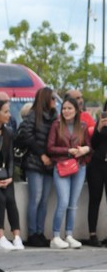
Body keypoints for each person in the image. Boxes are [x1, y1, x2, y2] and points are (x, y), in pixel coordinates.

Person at [46, 95, 91, 249]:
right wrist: (69, 151)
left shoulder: (83, 126)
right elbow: (50, 148)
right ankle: (56, 236)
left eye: (69, 108)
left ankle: (69, 234)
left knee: (73, 204)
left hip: (79, 167)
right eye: (64, 108)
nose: (66, 111)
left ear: (77, 110)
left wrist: (85, 149)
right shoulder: (56, 125)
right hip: (62, 166)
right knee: (63, 201)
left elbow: (89, 146)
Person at [16, 86, 57, 246]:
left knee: (44, 200)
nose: (54, 101)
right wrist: (42, 155)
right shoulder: (34, 115)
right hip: (34, 162)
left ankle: (40, 232)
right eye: (52, 98)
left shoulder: (55, 117)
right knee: (36, 198)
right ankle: (32, 233)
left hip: (49, 163)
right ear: (45, 99)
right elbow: (26, 136)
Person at [0, 98, 24, 251]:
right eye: (6, 112)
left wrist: (9, 177)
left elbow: (10, 158)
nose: (9, 115)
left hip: (5, 175)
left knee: (10, 200)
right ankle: (0, 236)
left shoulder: (8, 132)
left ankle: (16, 236)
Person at [86, 103, 107, 246]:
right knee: (95, 198)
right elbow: (93, 144)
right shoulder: (101, 122)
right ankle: (92, 234)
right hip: (97, 165)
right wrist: (99, 129)